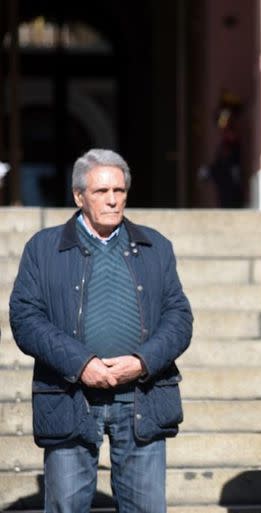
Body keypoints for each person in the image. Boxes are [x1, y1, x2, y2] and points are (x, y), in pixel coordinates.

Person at [10, 148, 193, 513]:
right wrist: (82, 364)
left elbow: (179, 318)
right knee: (66, 507)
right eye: (101, 192)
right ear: (79, 197)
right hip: (70, 396)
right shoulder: (43, 249)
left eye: (119, 191)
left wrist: (142, 362)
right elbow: (25, 318)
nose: (113, 200)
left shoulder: (156, 246)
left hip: (142, 396)